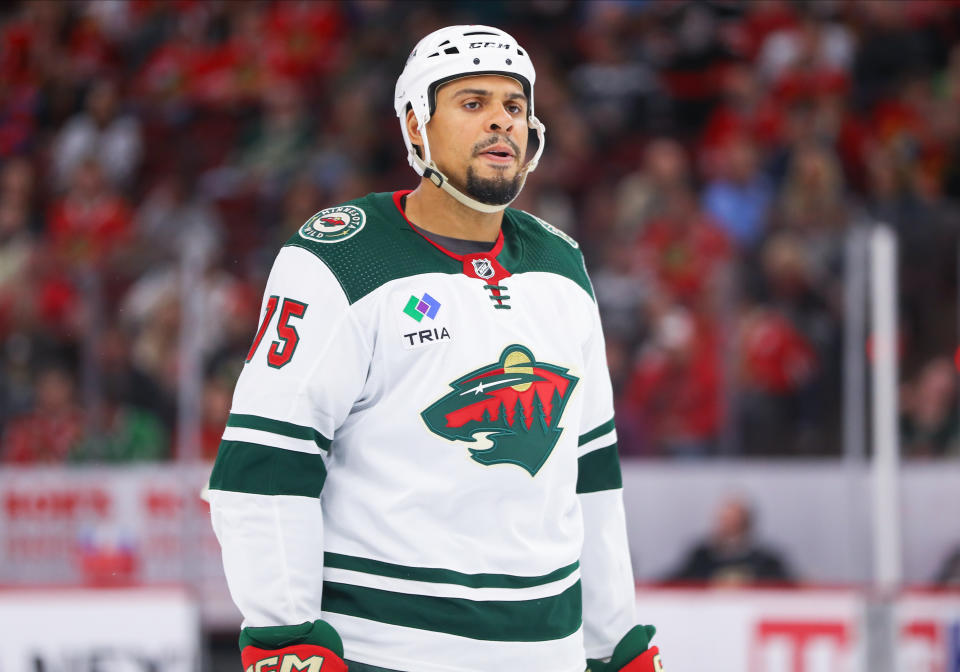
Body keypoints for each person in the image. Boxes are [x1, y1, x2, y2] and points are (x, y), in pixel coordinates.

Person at [208, 26, 663, 672]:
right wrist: (286, 638)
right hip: (386, 654)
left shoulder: (562, 266)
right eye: (472, 104)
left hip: (547, 655)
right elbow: (265, 468)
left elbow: (590, 475)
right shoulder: (340, 259)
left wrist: (615, 644)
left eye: (514, 105)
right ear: (416, 128)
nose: (501, 122)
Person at [665, 495, 793, 585]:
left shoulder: (766, 560)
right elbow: (678, 580)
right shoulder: (701, 556)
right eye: (724, 520)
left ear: (746, 522)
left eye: (734, 520)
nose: (727, 525)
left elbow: (783, 586)